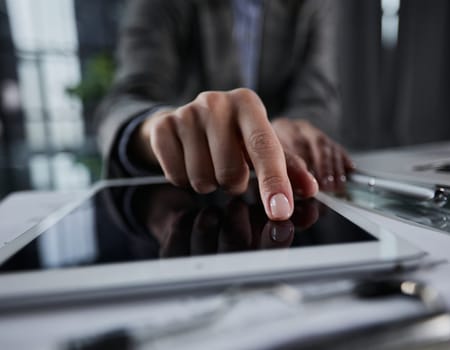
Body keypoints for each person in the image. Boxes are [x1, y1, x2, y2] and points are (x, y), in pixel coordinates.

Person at [96, 0, 353, 222]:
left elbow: (317, 96)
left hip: (291, 212)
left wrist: (291, 128)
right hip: (184, 205)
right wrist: (159, 128)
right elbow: (123, 102)